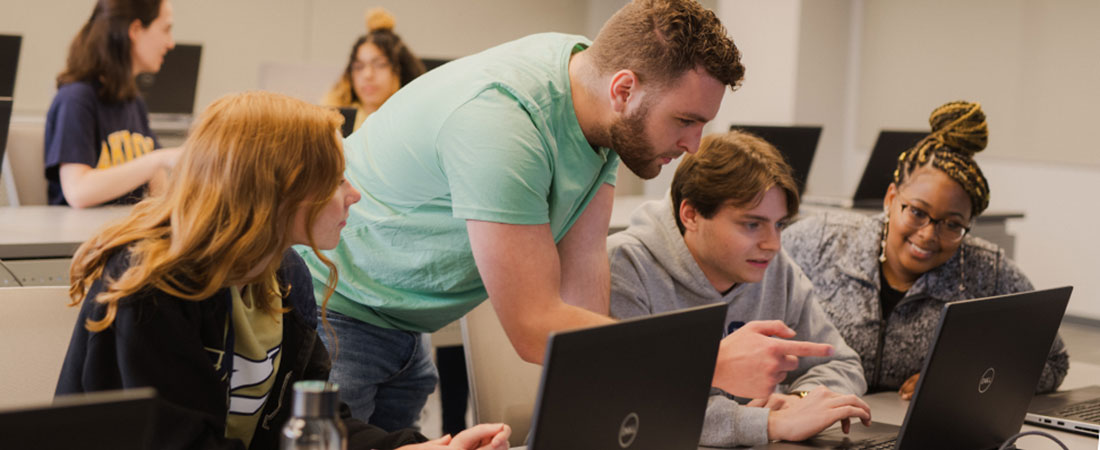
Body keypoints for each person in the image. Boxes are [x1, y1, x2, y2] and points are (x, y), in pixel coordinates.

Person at [298, 0, 833, 430]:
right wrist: (708, 365)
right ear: (624, 89)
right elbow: (535, 328)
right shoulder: (505, 123)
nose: (694, 146)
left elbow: (583, 315)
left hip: (403, 325)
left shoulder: (594, 106)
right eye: (686, 121)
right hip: (337, 307)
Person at [55, 91, 510, 450]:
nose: (354, 194)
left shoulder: (284, 273)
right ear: (278, 192)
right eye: (336, 179)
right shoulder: (154, 287)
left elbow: (310, 422)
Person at [782, 100, 1069, 398]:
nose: (929, 234)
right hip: (806, 421)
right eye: (917, 212)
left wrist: (961, 379)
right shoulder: (818, 241)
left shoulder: (988, 271)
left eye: (952, 224)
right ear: (891, 198)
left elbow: (1054, 362)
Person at [608, 131, 871, 447]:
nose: (772, 244)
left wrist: (802, 400)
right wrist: (767, 423)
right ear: (691, 215)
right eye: (752, 224)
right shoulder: (625, 267)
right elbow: (629, 410)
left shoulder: (774, 267)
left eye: (779, 225)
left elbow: (841, 363)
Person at [44, 0, 182, 208]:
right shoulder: (76, 98)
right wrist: (158, 159)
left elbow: (158, 187)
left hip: (126, 232)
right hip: (86, 238)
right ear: (135, 30)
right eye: (165, 29)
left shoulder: (133, 101)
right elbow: (78, 192)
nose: (170, 43)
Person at [320, 7, 425, 132]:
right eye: (358, 67)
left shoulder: (417, 123)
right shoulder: (333, 122)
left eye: (380, 64)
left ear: (400, 70)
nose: (367, 75)